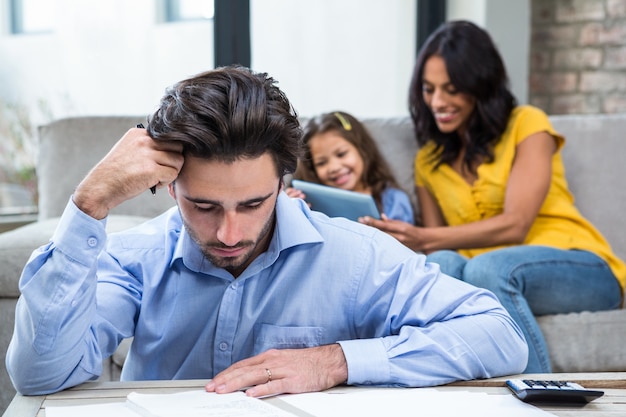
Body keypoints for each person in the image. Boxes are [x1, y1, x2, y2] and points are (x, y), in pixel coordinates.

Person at [6, 65, 527, 397]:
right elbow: (40, 375)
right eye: (204, 205)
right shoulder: (133, 259)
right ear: (169, 188)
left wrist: (336, 362)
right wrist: (87, 204)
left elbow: (500, 335)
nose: (229, 232)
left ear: (284, 181)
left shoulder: (357, 255)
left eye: (253, 203)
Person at [360, 21, 626, 373]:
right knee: (444, 268)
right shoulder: (428, 160)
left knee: (489, 269)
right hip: (483, 273)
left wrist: (422, 236)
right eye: (429, 89)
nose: (437, 102)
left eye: (451, 89)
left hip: (579, 265)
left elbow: (516, 225)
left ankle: (538, 402)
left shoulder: (527, 124)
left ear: (479, 86)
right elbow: (443, 251)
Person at [287, 111, 415, 223]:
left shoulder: (392, 199)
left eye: (341, 154)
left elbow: (404, 243)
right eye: (321, 163)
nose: (334, 167)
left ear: (363, 150)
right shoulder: (311, 203)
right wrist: (286, 210)